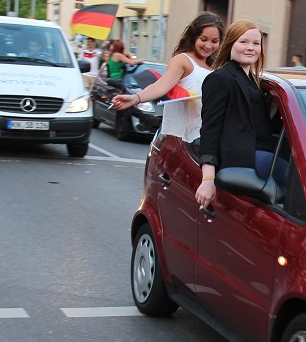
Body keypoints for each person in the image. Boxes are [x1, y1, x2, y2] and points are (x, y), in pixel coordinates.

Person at [196, 20, 281, 208]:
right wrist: (208, 179)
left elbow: (256, 123)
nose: (250, 48)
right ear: (230, 44)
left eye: (256, 43)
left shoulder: (254, 81)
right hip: (245, 164)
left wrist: (273, 107)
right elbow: (210, 130)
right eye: (243, 42)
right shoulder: (219, 79)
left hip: (265, 157)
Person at [112, 13, 224, 143]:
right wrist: (136, 98)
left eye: (214, 41)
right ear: (194, 37)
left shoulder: (213, 67)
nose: (209, 46)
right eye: (203, 39)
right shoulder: (182, 60)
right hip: (183, 140)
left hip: (207, 135)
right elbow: (161, 86)